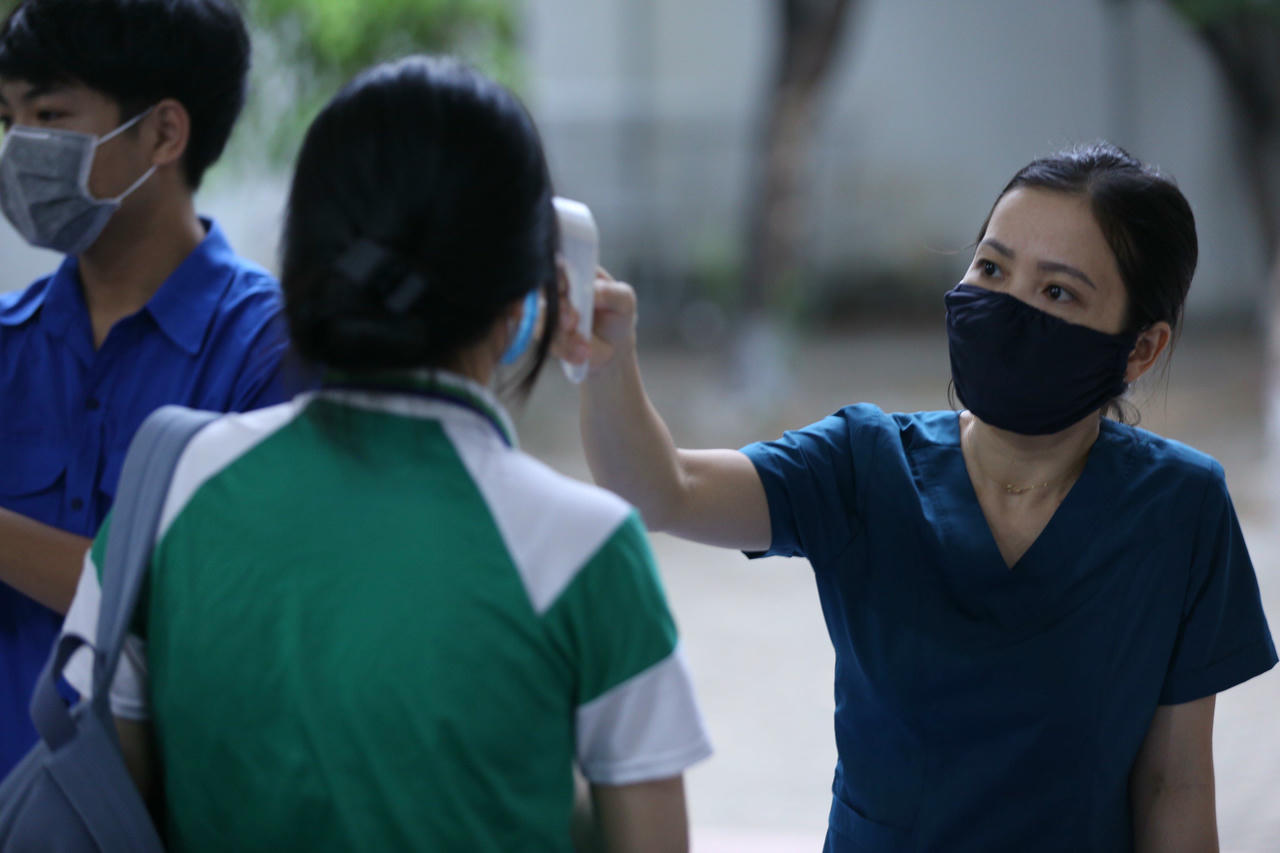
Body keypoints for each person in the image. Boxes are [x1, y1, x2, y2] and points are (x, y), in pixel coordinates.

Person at [59, 56, 711, 852]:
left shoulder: (168, 486)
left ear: (305, 259)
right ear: (535, 290)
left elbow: (106, 806)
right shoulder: (587, 550)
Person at [561, 142, 1277, 852]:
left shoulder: (1178, 508)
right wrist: (606, 362)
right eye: (991, 268)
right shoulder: (862, 463)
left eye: (1057, 292)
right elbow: (663, 490)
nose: (1006, 305)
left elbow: (1174, 785)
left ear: (1141, 348)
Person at [0, 0, 306, 774]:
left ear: (164, 133)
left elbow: (213, 606)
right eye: (7, 119)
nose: (18, 149)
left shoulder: (270, 351)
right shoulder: (8, 341)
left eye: (48, 115)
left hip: (178, 813)